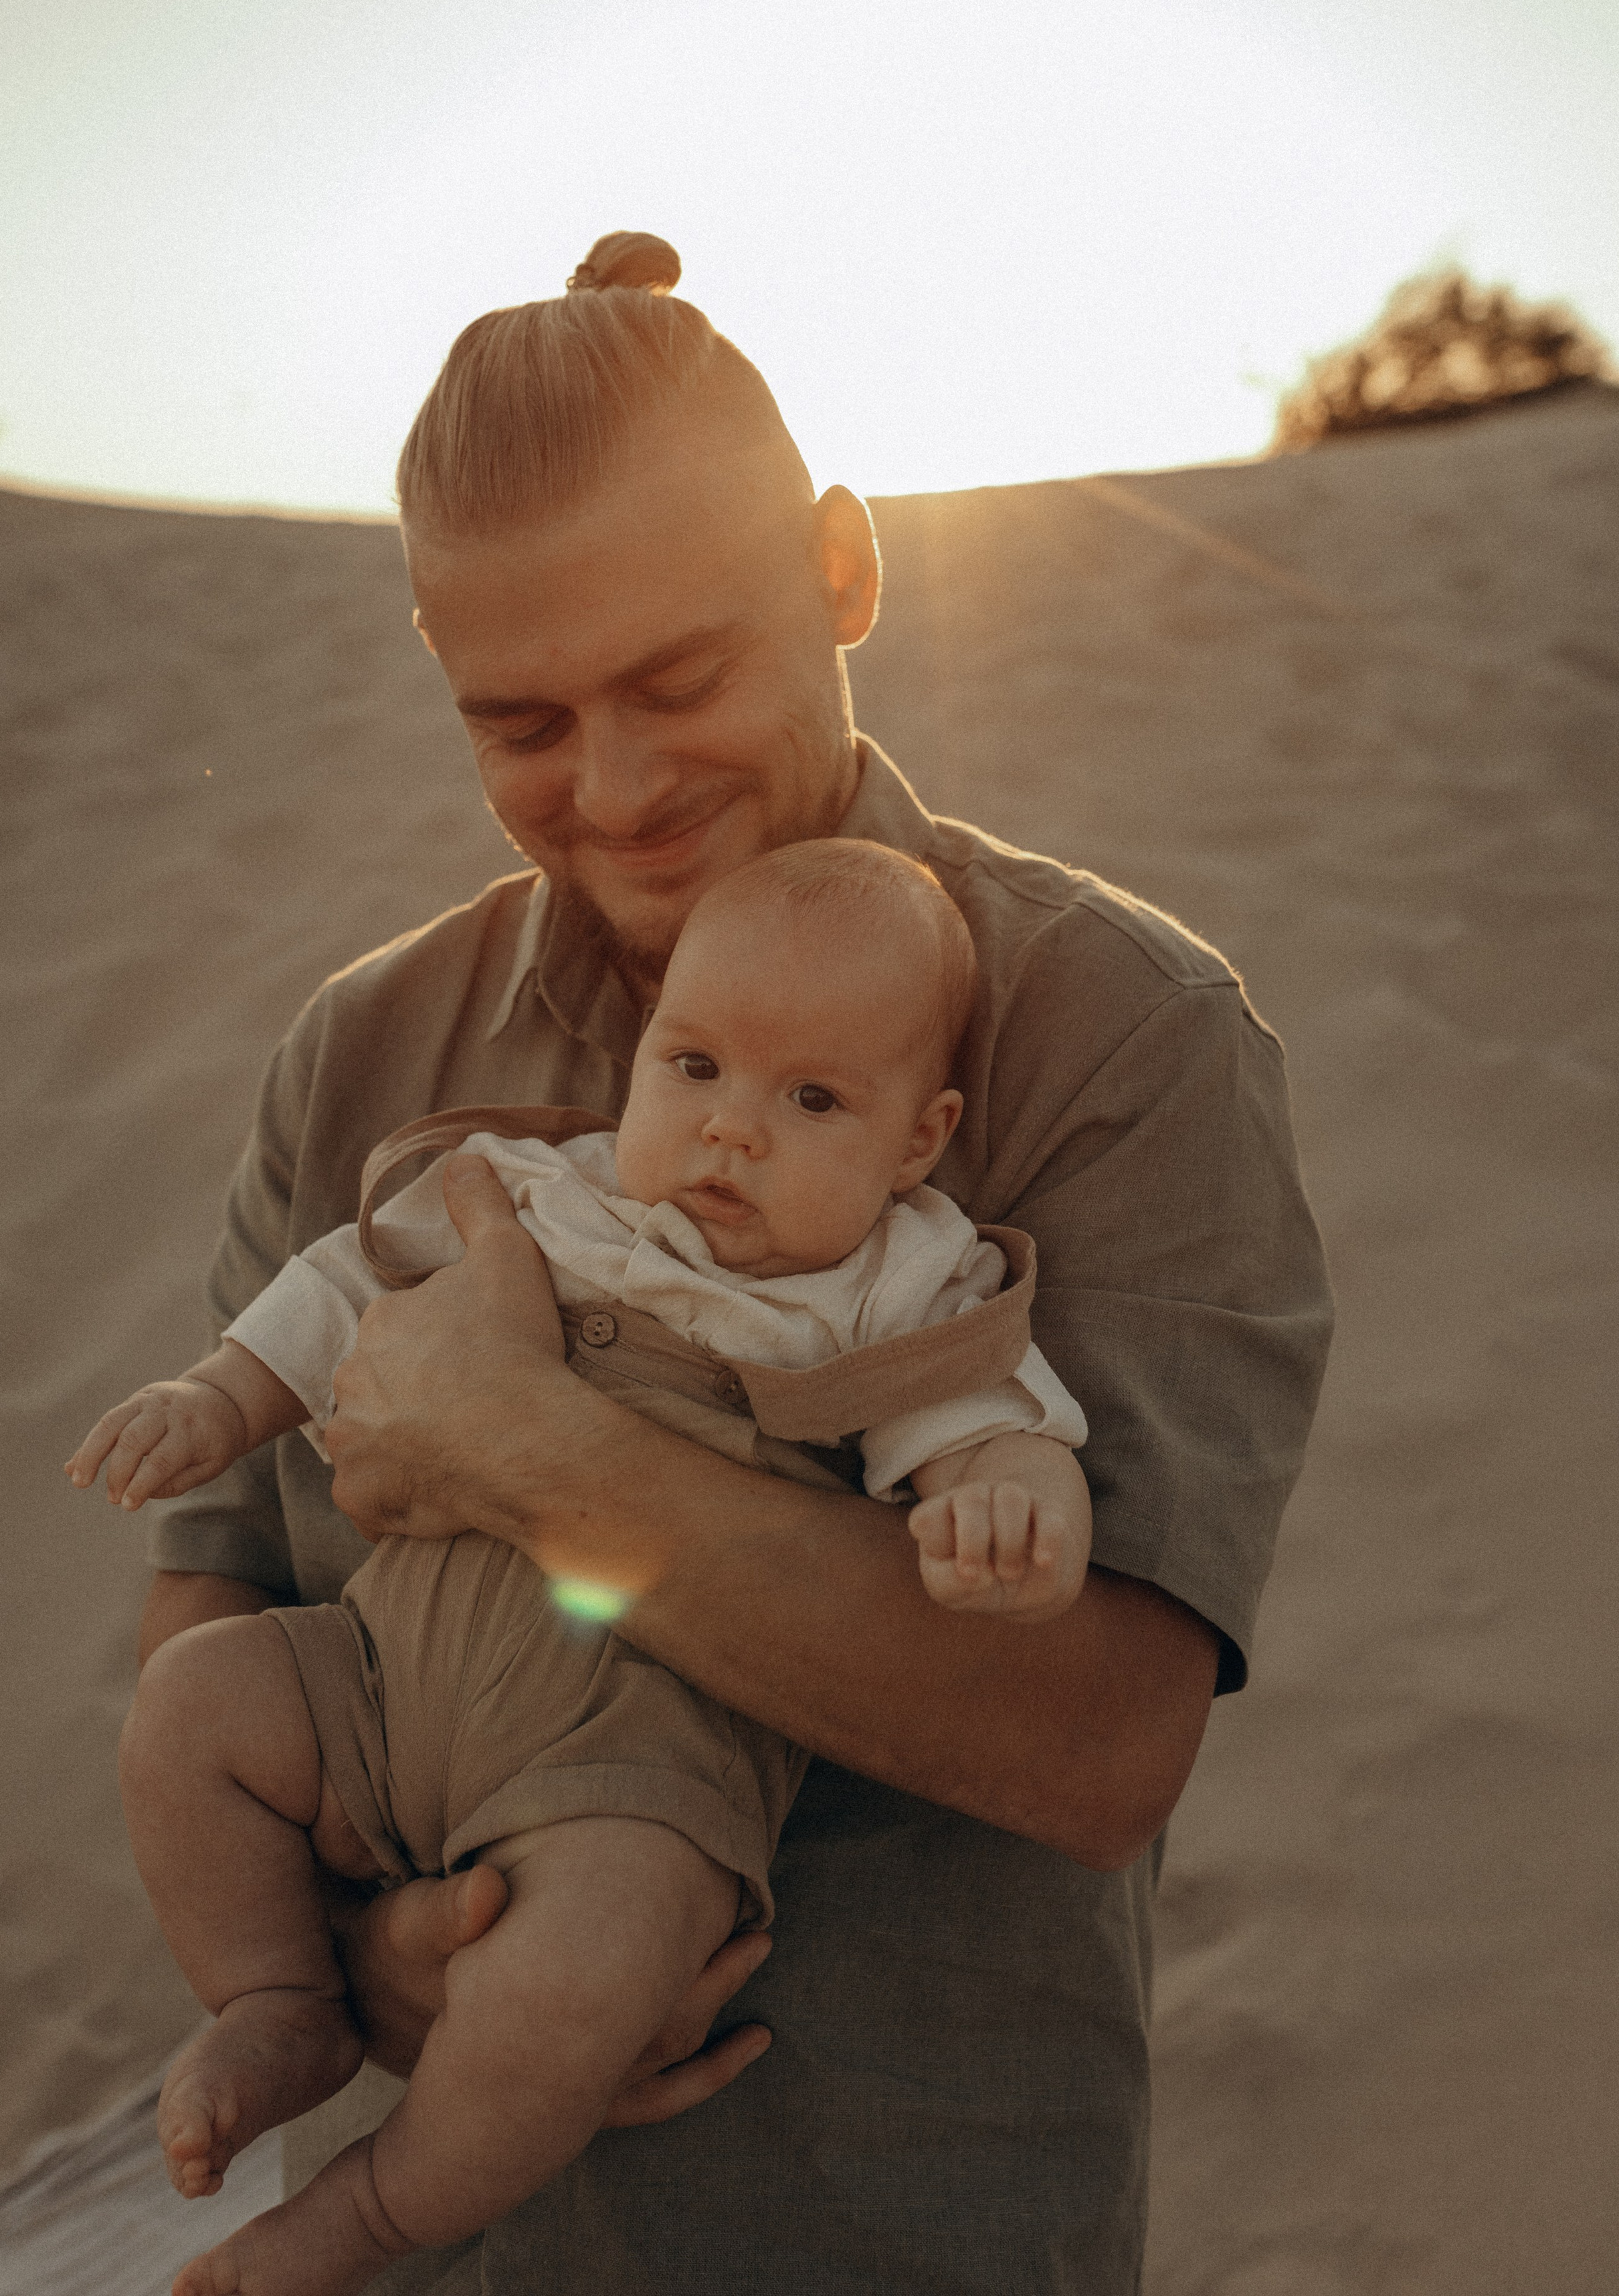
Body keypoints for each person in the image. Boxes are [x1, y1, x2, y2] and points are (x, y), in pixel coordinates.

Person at [142, 230, 1333, 2295]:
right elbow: (214, 1588)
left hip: (892, 2230)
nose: (616, 792)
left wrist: (531, 1449)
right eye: (523, 723)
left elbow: (1098, 1744)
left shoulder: (1117, 1034)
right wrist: (359, 1958)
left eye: (680, 683)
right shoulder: (366, 1055)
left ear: (844, 570)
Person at [72, 841, 1093, 2296]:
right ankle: (277, 1996)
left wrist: (1014, 1514)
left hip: (623, 1769)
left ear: (919, 1142)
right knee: (192, 1707)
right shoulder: (541, 1191)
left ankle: (368, 2215)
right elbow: (340, 1284)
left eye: (812, 1100)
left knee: (581, 1980)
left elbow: (991, 1426)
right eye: (696, 1068)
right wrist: (217, 1399)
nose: (732, 1129)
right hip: (375, 1680)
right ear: (641, 1056)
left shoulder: (893, 1285)